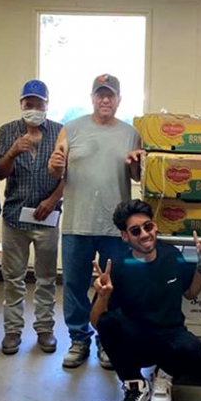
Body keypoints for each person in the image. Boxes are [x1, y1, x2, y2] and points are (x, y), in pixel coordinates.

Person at [48, 74, 143, 369]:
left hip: (115, 227)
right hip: (78, 222)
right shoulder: (71, 129)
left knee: (113, 286)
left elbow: (138, 176)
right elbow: (56, 170)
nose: (105, 99)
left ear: (119, 100)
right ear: (91, 98)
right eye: (100, 94)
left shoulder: (131, 133)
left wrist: (136, 165)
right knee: (75, 285)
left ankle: (107, 339)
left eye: (110, 95)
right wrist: (53, 166)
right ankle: (79, 339)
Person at [91, 200, 201, 401]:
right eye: (136, 231)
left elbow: (191, 293)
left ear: (155, 226)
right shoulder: (118, 264)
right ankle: (136, 387)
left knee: (194, 351)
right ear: (125, 236)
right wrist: (103, 295)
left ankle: (163, 377)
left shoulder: (171, 254)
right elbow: (97, 323)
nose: (145, 234)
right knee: (108, 323)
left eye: (148, 226)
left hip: (170, 336)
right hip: (136, 339)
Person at [0, 79, 64, 355]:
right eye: (28, 104)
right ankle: (12, 331)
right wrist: (13, 150)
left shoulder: (60, 132)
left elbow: (68, 174)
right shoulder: (7, 131)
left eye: (38, 104)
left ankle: (45, 329)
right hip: (14, 217)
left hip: (47, 218)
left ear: (47, 105)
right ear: (21, 105)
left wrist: (52, 200)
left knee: (46, 277)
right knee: (13, 278)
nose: (33, 109)